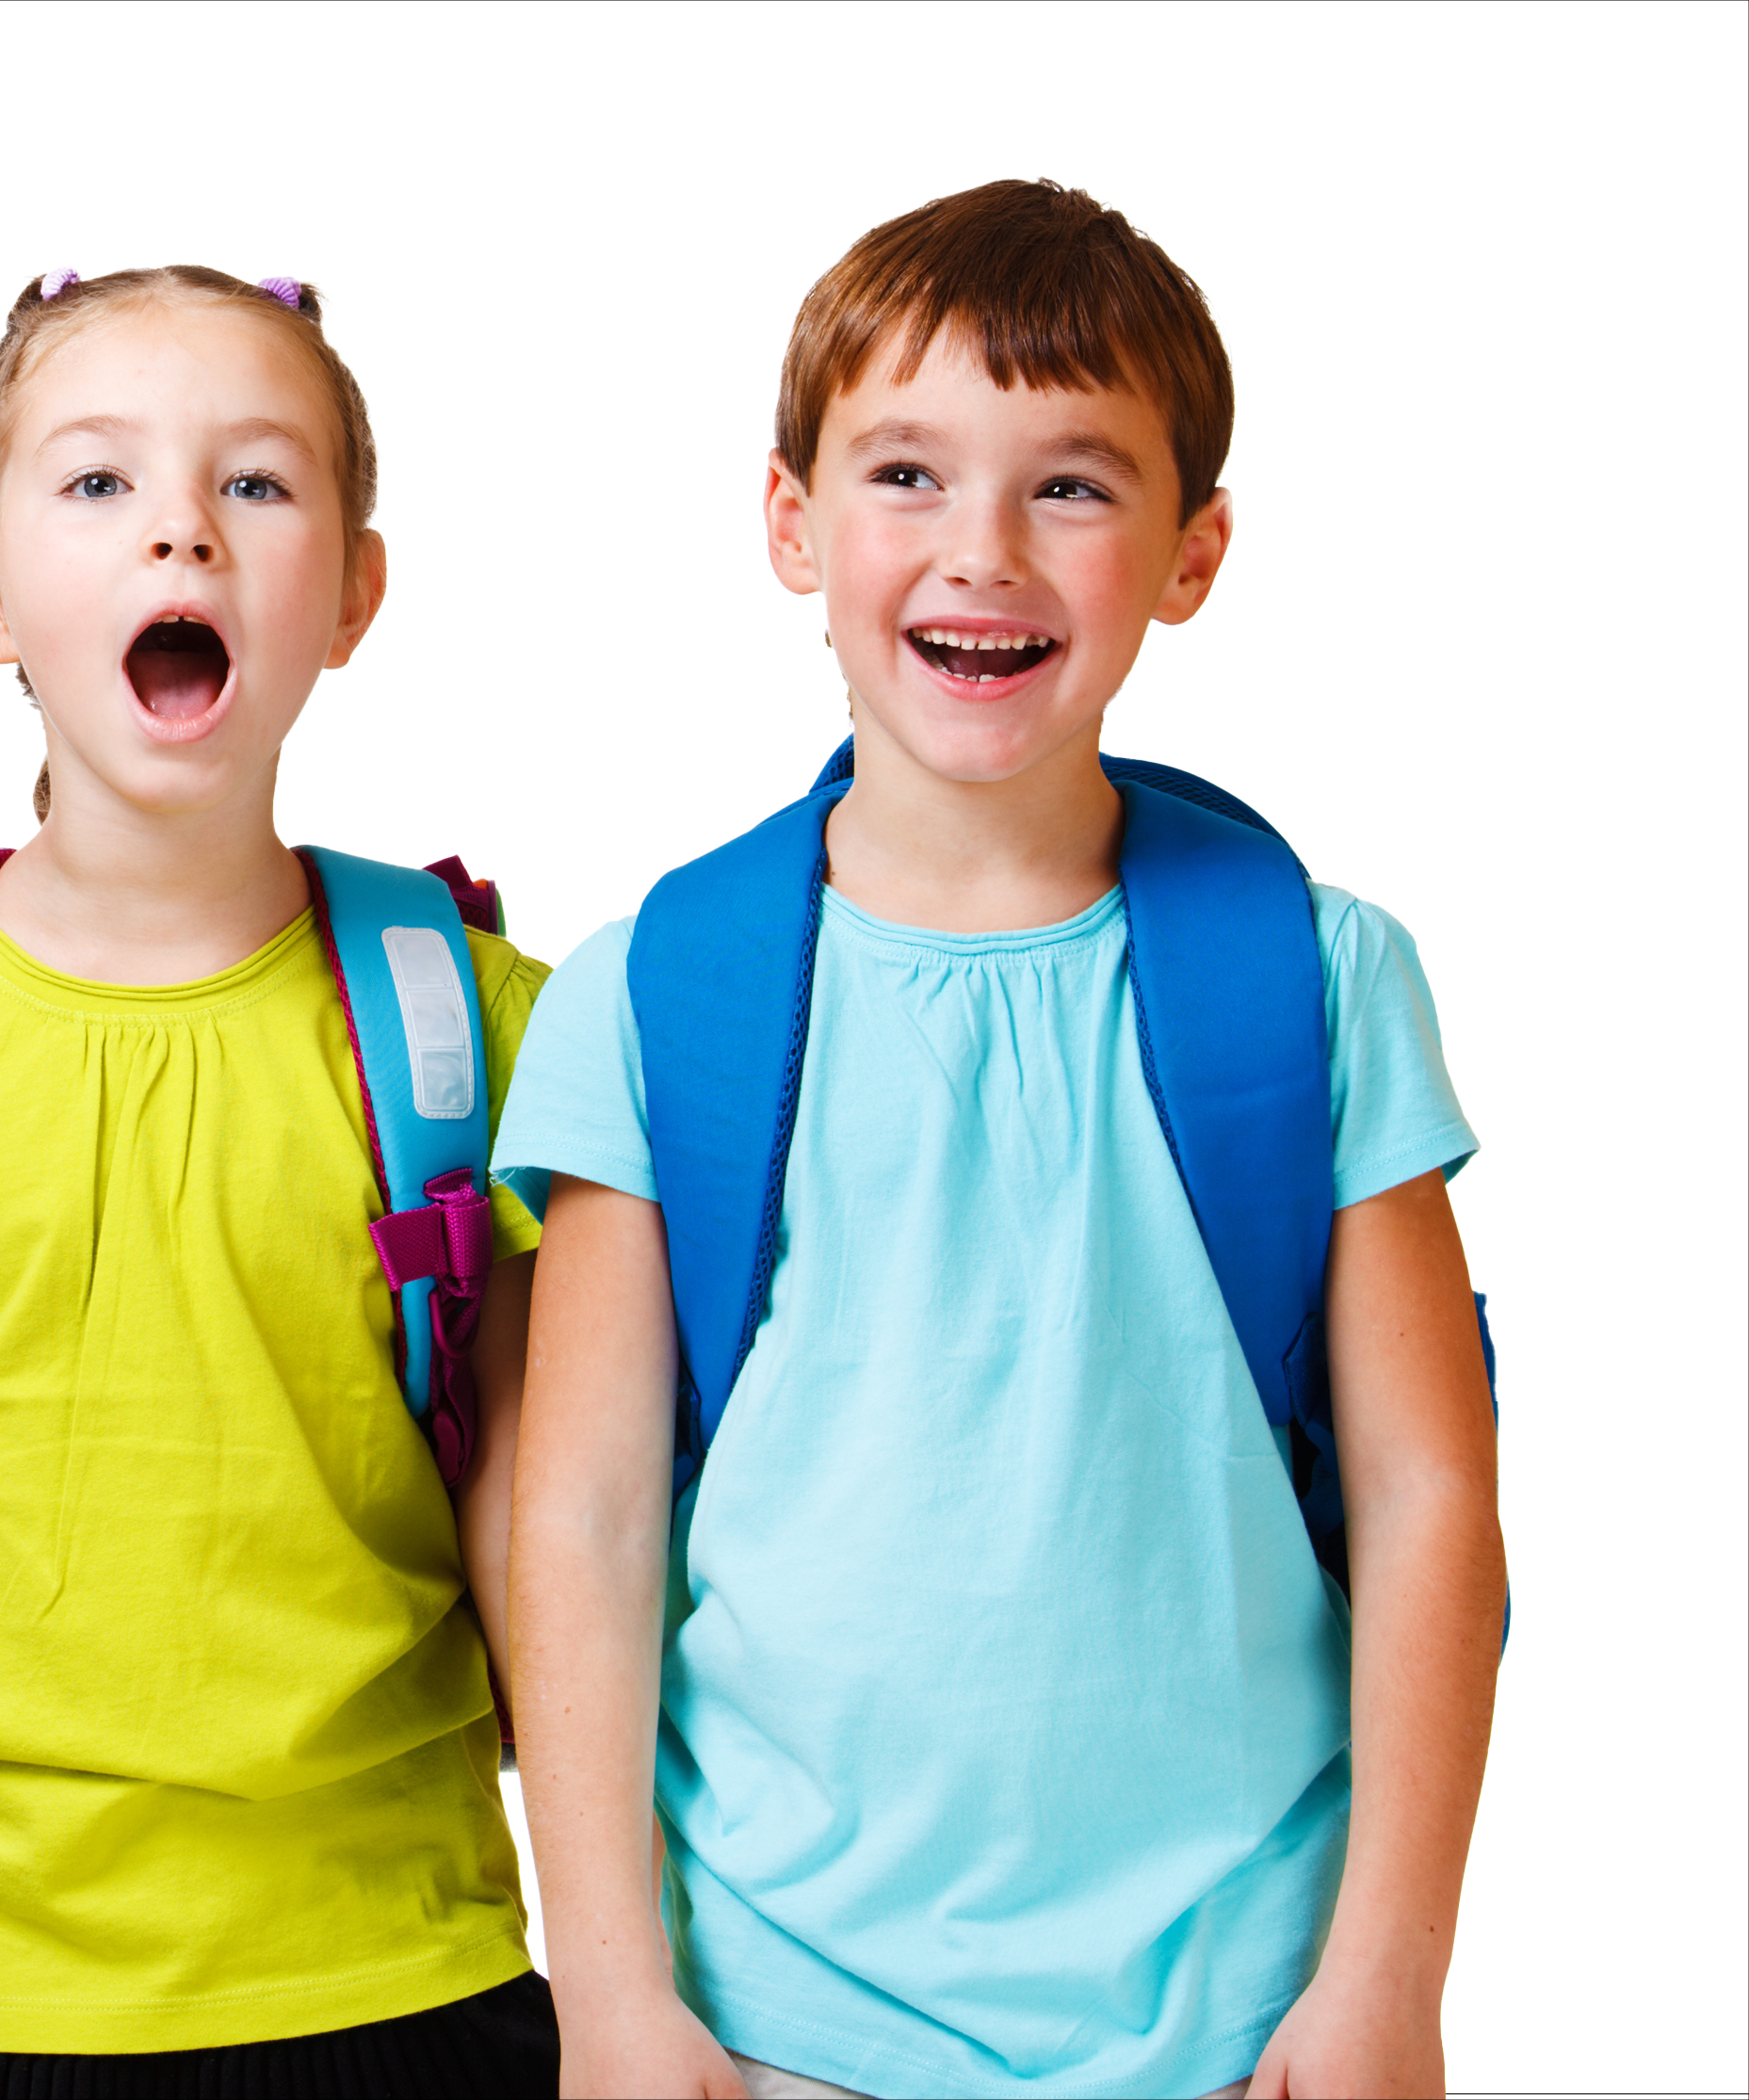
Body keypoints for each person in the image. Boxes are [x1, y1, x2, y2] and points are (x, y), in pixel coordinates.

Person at [501, 180, 1505, 2099]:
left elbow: (1426, 1500)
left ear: (1190, 550)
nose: (983, 550)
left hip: (1239, 2008)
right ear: (789, 521)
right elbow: (590, 1515)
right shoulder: (657, 987)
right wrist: (610, 1988)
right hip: (771, 2007)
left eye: (1070, 483)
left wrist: (1386, 1971)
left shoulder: (1314, 972)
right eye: (904, 472)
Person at [0, 267, 559, 2099]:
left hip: (396, 1967)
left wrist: (624, 1947)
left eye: (256, 484)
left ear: (353, 595)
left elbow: (548, 1511)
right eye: (96, 484)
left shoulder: (471, 1017)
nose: (181, 530)